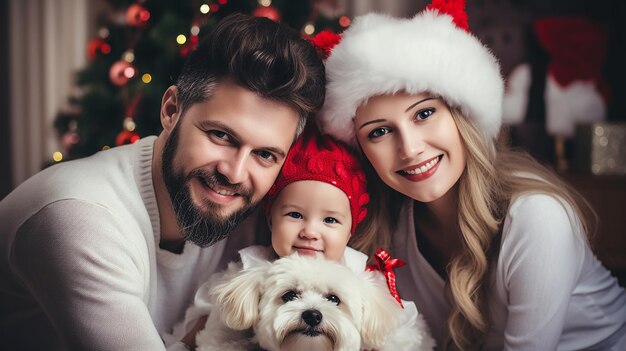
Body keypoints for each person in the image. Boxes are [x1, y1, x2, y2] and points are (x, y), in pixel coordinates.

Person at [0, 13, 325, 351]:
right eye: (220, 135)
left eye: (265, 155)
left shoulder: (269, 216)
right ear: (171, 110)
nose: (235, 173)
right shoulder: (78, 217)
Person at [318, 0, 626, 350]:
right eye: (379, 132)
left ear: (461, 115)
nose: (410, 148)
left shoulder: (537, 217)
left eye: (424, 114)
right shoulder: (389, 232)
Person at [176, 126, 434, 349]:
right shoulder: (252, 270)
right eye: (295, 215)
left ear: (350, 231)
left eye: (330, 220)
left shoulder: (360, 276)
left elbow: (404, 335)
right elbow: (208, 335)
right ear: (270, 220)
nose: (310, 232)